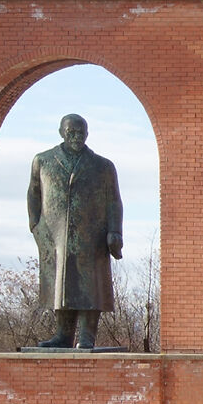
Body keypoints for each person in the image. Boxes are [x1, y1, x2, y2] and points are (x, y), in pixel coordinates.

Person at [27, 113, 124, 350]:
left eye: (81, 133)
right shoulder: (43, 160)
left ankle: (87, 336)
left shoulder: (103, 166)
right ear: (61, 132)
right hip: (54, 236)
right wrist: (35, 225)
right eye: (71, 132)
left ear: (87, 135)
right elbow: (34, 193)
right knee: (61, 285)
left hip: (92, 235)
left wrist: (115, 231)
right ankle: (63, 335)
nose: (77, 137)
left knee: (91, 286)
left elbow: (114, 201)